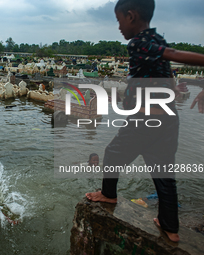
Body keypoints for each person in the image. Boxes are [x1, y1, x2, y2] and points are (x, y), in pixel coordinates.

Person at [85, 0, 204, 243]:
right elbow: (168, 73)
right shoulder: (158, 38)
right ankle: (170, 228)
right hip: (169, 120)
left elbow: (172, 56)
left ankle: (109, 194)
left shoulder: (137, 43)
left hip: (145, 120)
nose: (119, 27)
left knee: (112, 153)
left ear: (131, 16)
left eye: (119, 21)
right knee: (164, 174)